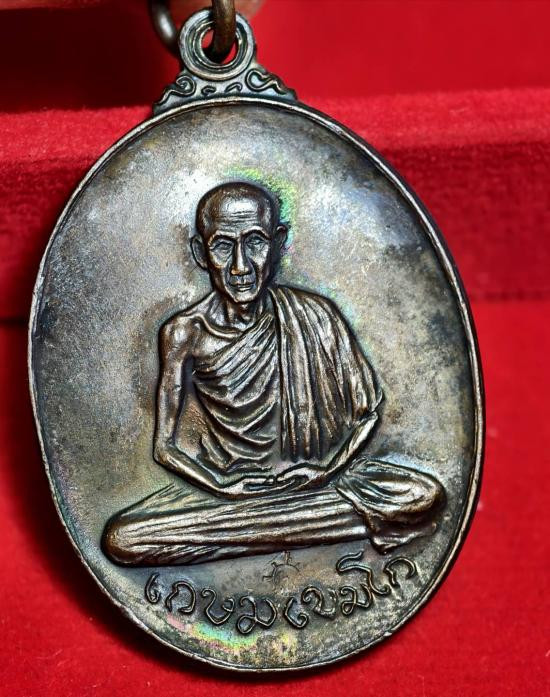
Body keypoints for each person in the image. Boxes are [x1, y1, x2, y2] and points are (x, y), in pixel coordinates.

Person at [103, 182, 444, 566]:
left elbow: (368, 414)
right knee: (123, 538)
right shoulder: (185, 333)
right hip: (227, 491)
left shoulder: (317, 316)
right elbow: (164, 449)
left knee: (421, 495)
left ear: (279, 242)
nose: (240, 266)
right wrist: (224, 487)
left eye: (255, 242)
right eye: (222, 246)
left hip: (312, 484)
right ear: (200, 253)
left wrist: (326, 470)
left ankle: (257, 531)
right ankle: (284, 527)